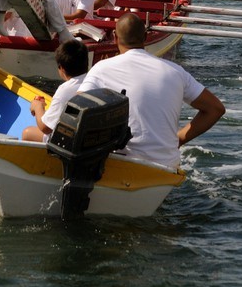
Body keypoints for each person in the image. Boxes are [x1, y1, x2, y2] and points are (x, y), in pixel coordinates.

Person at [76, 13, 225, 171]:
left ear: (115, 37)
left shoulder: (101, 68)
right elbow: (216, 109)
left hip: (120, 164)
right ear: (145, 37)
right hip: (165, 166)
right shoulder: (176, 71)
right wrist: (178, 139)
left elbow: (77, 108)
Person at [21, 39, 92, 142]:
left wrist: (37, 107)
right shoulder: (93, 81)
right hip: (88, 138)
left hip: (71, 142)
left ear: (61, 68)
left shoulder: (65, 90)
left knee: (27, 133)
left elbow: (45, 128)